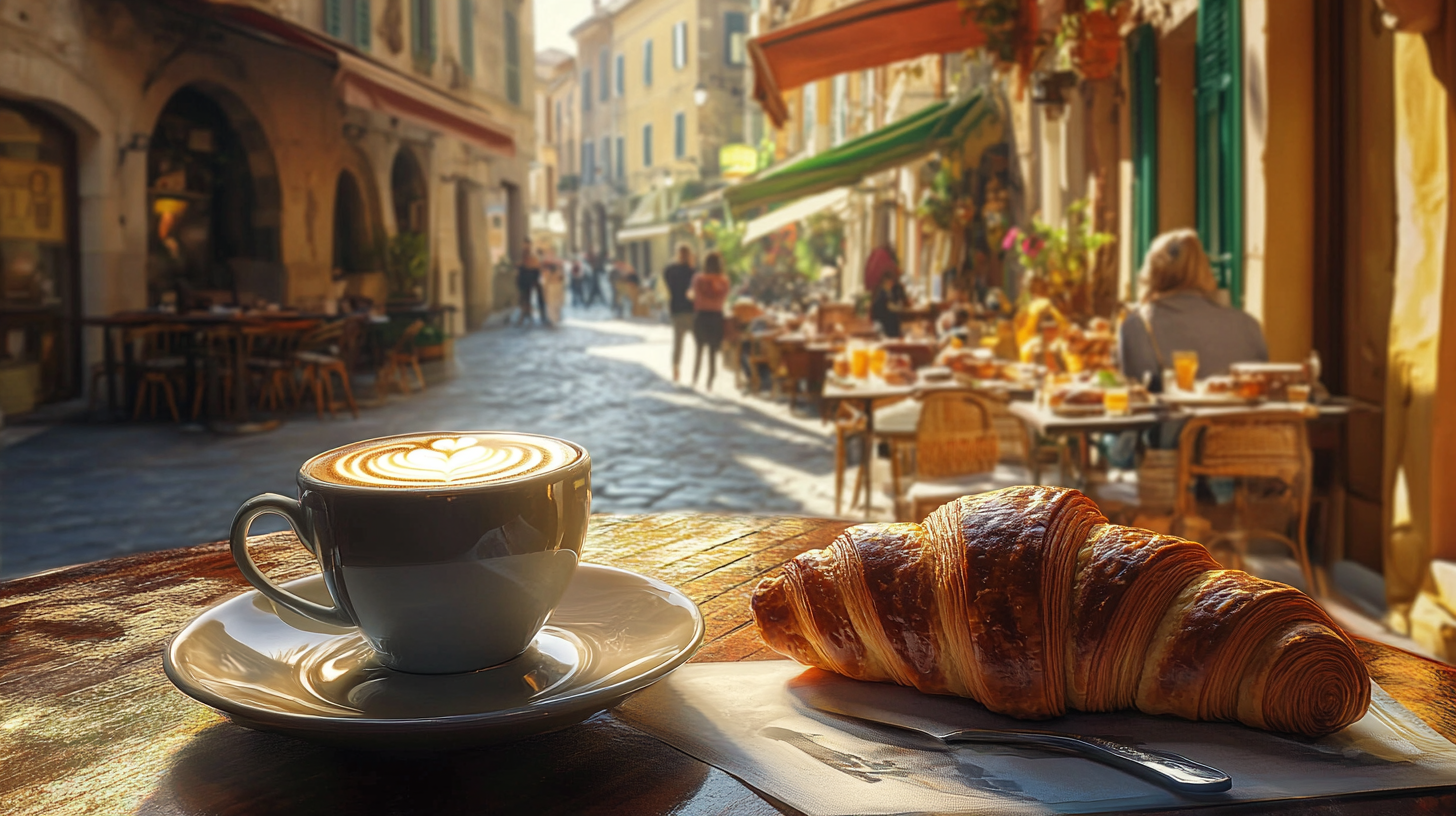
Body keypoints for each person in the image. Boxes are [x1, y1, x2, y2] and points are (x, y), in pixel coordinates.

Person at [1117, 229, 1267, 391]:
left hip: (1175, 415)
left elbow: (1137, 397)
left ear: (1150, 272)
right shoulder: (1247, 324)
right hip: (1242, 416)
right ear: (1205, 269)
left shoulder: (1136, 327)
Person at [689, 251, 731, 390]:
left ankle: (695, 378)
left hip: (701, 316)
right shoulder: (724, 281)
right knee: (713, 352)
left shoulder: (698, 279)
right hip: (716, 317)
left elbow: (694, 295)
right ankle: (710, 382)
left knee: (698, 350)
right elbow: (724, 298)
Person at [662, 244, 697, 382]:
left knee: (678, 343)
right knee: (697, 343)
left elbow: (665, 283)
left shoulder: (670, 270)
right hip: (691, 310)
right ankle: (696, 371)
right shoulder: (693, 271)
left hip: (676, 310)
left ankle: (676, 368)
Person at [870, 268, 908, 338]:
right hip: (885, 325)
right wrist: (900, 307)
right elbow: (890, 307)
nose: (892, 284)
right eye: (891, 282)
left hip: (885, 323)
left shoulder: (884, 291)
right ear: (888, 281)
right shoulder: (883, 293)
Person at [516, 240, 542, 325]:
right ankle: (526, 315)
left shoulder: (532, 255)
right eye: (524, 244)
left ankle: (526, 316)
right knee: (524, 298)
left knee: (527, 298)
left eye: (527, 244)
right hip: (524, 280)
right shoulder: (523, 254)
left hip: (529, 280)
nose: (525, 246)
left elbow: (536, 268)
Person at [541, 251, 566, 327]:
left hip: (555, 288)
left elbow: (562, 279)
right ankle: (553, 319)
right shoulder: (548, 267)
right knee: (552, 305)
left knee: (555, 304)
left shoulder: (558, 268)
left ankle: (555, 318)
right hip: (553, 287)